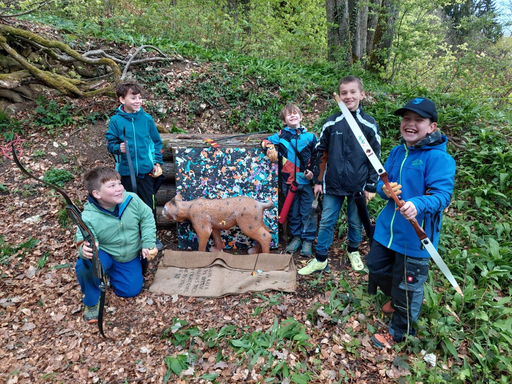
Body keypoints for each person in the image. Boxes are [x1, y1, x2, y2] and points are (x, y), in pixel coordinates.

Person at [367, 97, 456, 348]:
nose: (411, 124)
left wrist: (417, 205)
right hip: (387, 231)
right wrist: (385, 191)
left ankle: (400, 332)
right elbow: (381, 184)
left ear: (432, 126)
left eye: (419, 120)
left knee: (408, 287)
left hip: (416, 238)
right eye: (407, 119)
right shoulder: (397, 152)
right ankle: (398, 301)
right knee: (376, 267)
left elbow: (442, 195)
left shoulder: (439, 159)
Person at [298, 75, 380, 275]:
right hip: (332, 183)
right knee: (326, 221)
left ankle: (353, 251)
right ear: (339, 96)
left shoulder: (369, 124)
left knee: (355, 221)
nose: (348, 96)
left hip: (358, 185)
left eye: (353, 92)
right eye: (344, 93)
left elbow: (375, 156)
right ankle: (320, 259)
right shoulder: (331, 122)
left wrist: (371, 185)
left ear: (362, 94)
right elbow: (320, 153)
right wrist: (318, 180)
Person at [75, 167, 158, 323]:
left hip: (128, 254)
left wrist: (148, 242)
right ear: (97, 194)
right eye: (111, 186)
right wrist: (83, 249)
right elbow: (82, 237)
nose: (119, 188)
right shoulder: (88, 216)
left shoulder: (131, 200)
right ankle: (92, 302)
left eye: (119, 183)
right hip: (105, 253)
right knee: (85, 264)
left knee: (130, 290)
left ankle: (111, 274)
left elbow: (147, 217)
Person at [105, 81, 164, 250]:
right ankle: (132, 240)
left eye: (139, 98)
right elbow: (111, 144)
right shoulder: (116, 121)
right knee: (128, 206)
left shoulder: (146, 119)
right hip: (125, 173)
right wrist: (119, 148)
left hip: (145, 172)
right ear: (122, 100)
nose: (138, 101)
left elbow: (156, 143)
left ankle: (151, 239)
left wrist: (156, 162)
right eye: (133, 98)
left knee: (147, 206)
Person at [261, 104, 318, 257]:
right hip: (289, 182)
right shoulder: (281, 135)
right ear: (284, 120)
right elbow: (265, 141)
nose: (292, 116)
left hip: (306, 183)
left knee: (308, 212)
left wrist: (313, 173)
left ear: (301, 116)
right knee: (293, 211)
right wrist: (270, 147)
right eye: (289, 115)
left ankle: (308, 240)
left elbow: (318, 158)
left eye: (295, 113)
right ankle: (297, 237)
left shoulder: (311, 137)